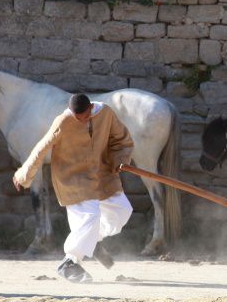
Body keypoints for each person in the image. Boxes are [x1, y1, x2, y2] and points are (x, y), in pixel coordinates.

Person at [13, 93, 135, 283]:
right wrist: (23, 174)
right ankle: (69, 262)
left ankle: (93, 239)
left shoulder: (106, 113)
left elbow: (121, 139)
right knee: (90, 216)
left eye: (84, 116)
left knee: (122, 211)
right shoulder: (63, 121)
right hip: (72, 178)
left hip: (103, 175)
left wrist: (120, 159)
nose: (81, 121)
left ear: (90, 109)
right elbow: (41, 148)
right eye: (77, 118)